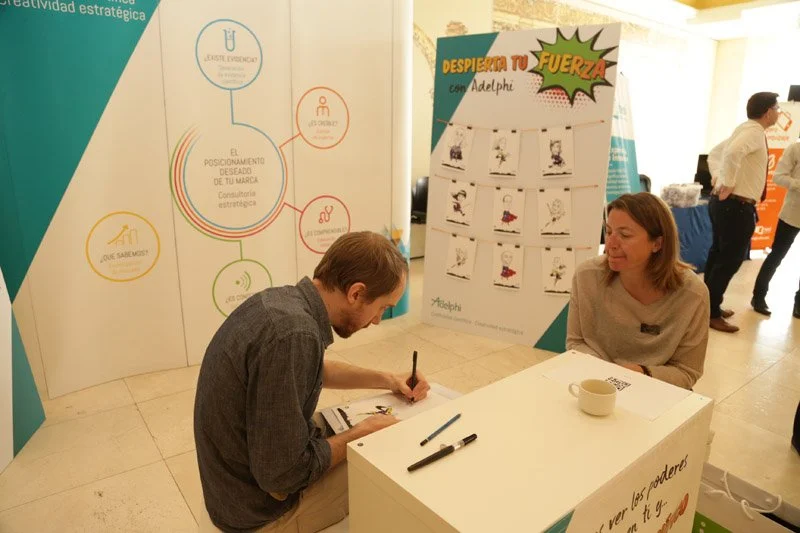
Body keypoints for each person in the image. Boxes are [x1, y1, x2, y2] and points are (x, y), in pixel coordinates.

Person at [194, 231, 430, 533]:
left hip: (235, 479)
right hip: (258, 511)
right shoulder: (294, 335)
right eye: (382, 307)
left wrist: (388, 379)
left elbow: (313, 370)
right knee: (392, 465)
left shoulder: (283, 304)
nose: (377, 321)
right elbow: (281, 476)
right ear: (356, 293)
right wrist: (360, 433)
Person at [567, 193, 710, 390]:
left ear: (657, 244)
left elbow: (687, 371)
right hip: (595, 385)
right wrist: (606, 376)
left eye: (625, 235)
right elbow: (576, 342)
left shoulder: (693, 295)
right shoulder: (587, 276)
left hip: (656, 391)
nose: (611, 244)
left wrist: (643, 374)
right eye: (608, 232)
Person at [705, 92, 780, 332]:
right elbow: (733, 153)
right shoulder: (753, 132)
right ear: (768, 111)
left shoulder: (746, 128)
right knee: (729, 260)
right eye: (777, 108)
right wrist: (726, 181)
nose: (779, 113)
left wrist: (719, 178)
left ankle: (708, 306)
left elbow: (716, 154)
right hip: (735, 206)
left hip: (728, 205)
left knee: (719, 256)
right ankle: (710, 312)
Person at [751, 140, 800, 318]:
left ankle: (799, 303)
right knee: (776, 256)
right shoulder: (795, 148)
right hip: (792, 214)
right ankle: (758, 296)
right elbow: (778, 176)